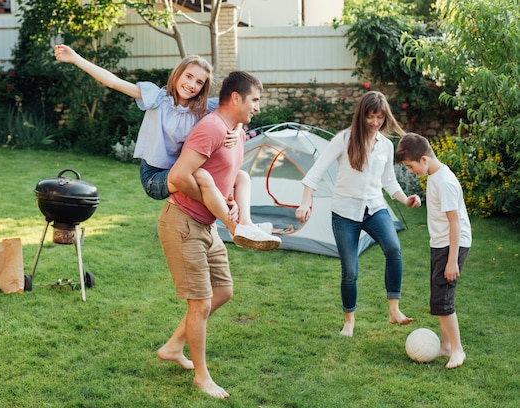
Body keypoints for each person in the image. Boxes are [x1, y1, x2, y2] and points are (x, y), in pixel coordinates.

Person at [54, 45, 280, 251]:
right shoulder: (158, 98)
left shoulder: (202, 108)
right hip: (154, 176)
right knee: (202, 175)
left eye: (199, 82)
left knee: (241, 177)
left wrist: (238, 127)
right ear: (177, 74)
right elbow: (114, 82)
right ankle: (233, 225)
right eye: (188, 76)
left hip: (179, 173)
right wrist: (76, 59)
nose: (192, 85)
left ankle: (248, 224)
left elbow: (235, 108)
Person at [156, 71, 263, 398]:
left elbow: (228, 173)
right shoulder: (211, 129)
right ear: (236, 98)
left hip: (207, 224)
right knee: (200, 303)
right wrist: (212, 197)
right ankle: (202, 377)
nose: (258, 107)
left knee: (223, 291)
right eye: (255, 100)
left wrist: (225, 200)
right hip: (183, 221)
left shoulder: (234, 130)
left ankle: (174, 346)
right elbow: (177, 176)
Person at [295, 91, 421, 337]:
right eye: (371, 117)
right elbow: (315, 172)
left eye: (380, 117)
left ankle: (394, 310)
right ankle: (349, 320)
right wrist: (304, 202)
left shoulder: (385, 144)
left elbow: (389, 181)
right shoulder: (344, 139)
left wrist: (406, 199)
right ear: (361, 115)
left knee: (394, 249)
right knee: (350, 270)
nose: (375, 122)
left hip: (375, 209)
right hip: (344, 213)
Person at [395, 133, 471, 369]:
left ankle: (458, 350)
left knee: (443, 299)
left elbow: (455, 222)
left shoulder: (445, 182)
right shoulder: (436, 176)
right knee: (438, 299)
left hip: (452, 245)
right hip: (440, 244)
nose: (410, 171)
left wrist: (452, 261)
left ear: (424, 160)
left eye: (410, 166)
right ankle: (446, 346)